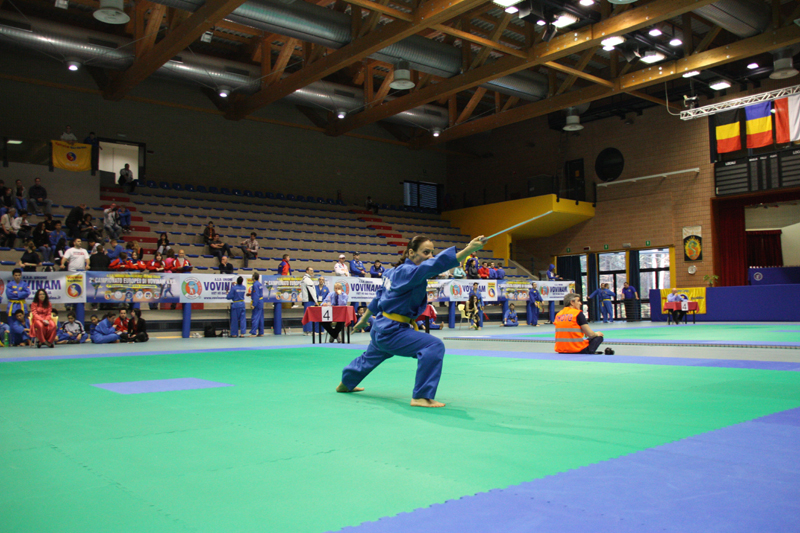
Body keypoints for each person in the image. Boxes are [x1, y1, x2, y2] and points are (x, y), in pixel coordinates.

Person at [339, 234, 486, 408]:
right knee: (433, 346)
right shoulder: (407, 272)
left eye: (432, 252)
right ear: (411, 252)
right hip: (392, 331)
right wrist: (468, 250)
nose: (430, 256)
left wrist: (364, 320)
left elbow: (378, 299)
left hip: (381, 328)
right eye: (425, 252)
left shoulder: (391, 272)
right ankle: (421, 397)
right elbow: (434, 265)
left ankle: (345, 383)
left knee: (369, 357)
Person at [301, 267, 319, 336]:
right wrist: (316, 301)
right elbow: (312, 292)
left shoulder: (304, 279)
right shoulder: (307, 280)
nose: (312, 272)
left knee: (306, 315)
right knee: (309, 316)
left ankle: (306, 331)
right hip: (309, 300)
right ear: (307, 271)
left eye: (313, 270)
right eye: (311, 270)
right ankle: (309, 330)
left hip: (306, 300)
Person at [249, 272, 264, 337]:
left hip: (257, 302)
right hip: (261, 301)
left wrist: (254, 304)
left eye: (252, 276)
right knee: (260, 317)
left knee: (255, 317)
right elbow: (258, 293)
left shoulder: (255, 285)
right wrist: (250, 294)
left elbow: (256, 295)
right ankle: (261, 332)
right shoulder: (259, 284)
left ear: (254, 277)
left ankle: (253, 333)